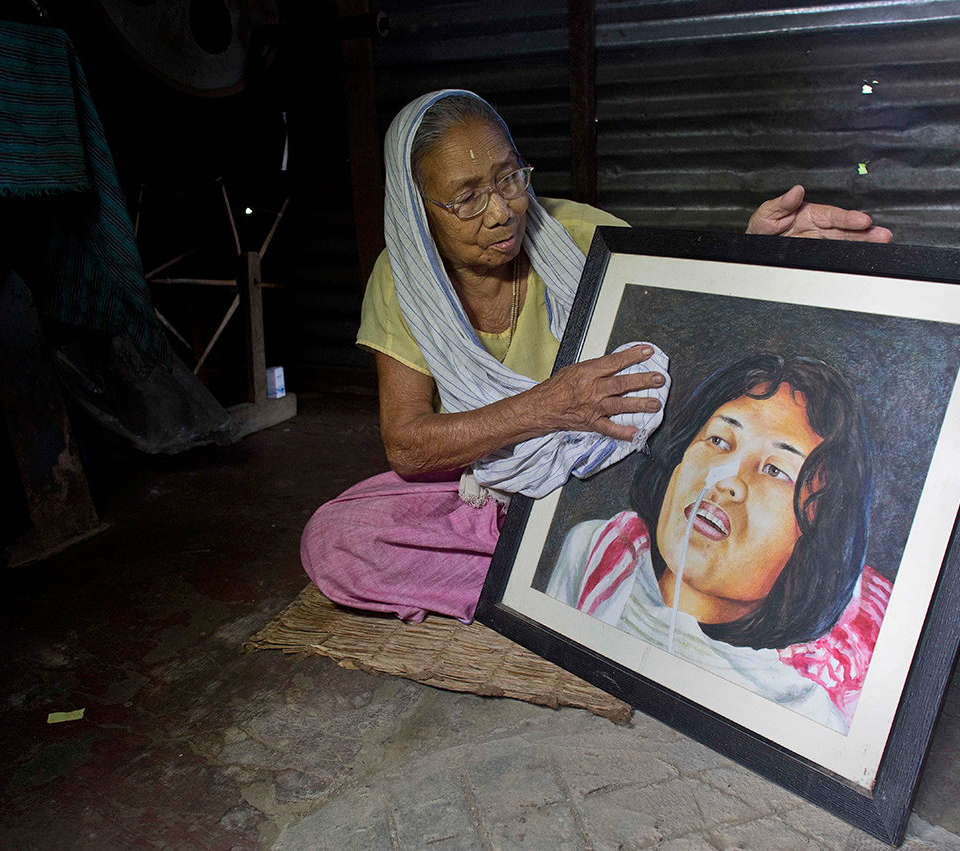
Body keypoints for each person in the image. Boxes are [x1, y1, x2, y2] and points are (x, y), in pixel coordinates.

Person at [300, 89, 892, 628]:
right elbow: (408, 445)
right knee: (334, 539)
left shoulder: (580, 236)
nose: (502, 211)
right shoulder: (402, 280)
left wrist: (755, 255)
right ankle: (542, 589)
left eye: (510, 177)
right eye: (467, 197)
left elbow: (681, 311)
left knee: (635, 512)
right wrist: (548, 407)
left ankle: (545, 583)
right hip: (487, 483)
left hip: (596, 473)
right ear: (417, 210)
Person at [545, 355, 892, 730]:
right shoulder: (595, 555)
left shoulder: (803, 715)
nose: (726, 478)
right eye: (719, 440)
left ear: (814, 532)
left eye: (775, 470)